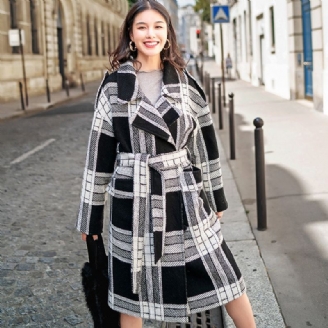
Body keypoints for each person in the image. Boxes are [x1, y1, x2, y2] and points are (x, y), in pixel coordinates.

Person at [76, 1, 256, 327]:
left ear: (167, 33)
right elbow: (98, 155)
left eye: (158, 26)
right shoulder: (114, 86)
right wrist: (91, 218)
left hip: (184, 197)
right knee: (132, 297)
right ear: (130, 34)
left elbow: (204, 144)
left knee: (227, 277)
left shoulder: (185, 82)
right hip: (134, 201)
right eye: (142, 26)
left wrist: (215, 197)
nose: (150, 33)